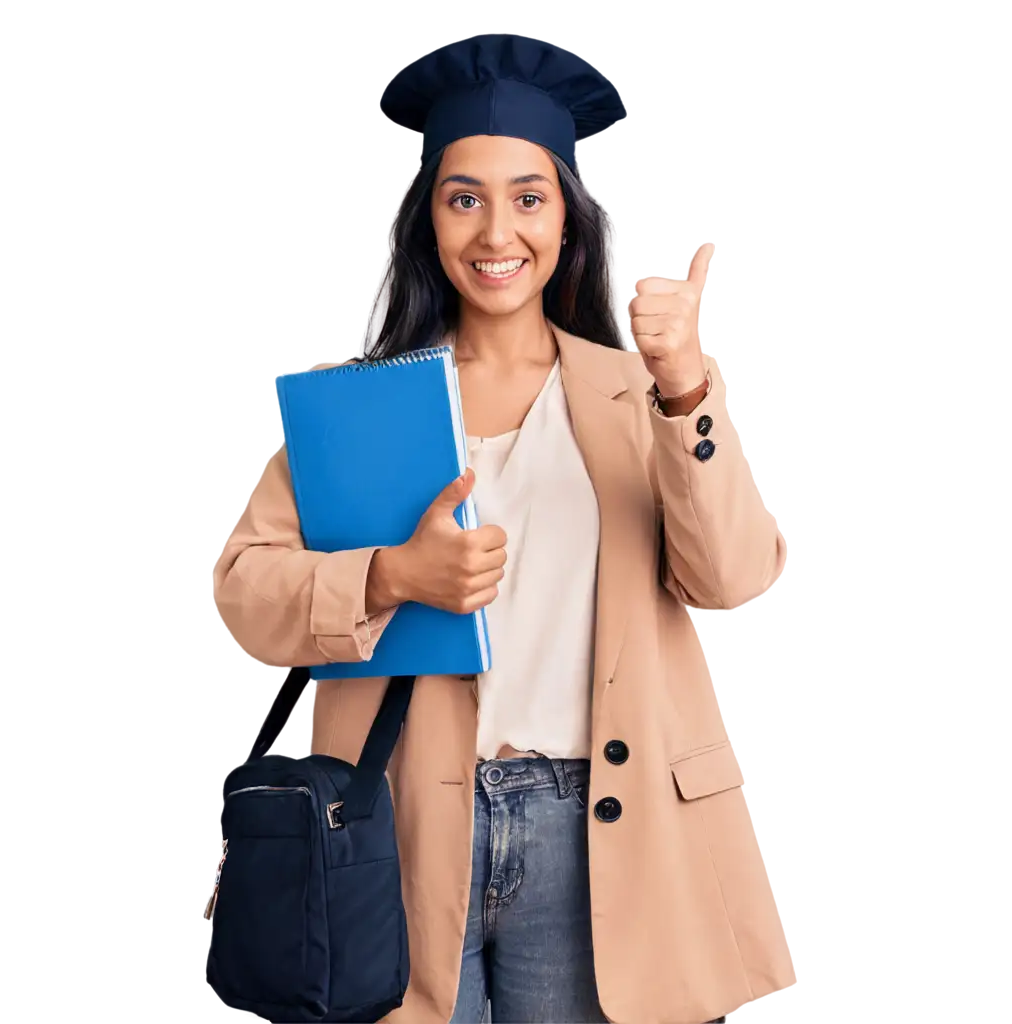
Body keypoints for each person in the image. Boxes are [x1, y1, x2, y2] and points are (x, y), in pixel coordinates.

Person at [212, 32, 793, 1024]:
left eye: (528, 197)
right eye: (463, 197)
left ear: (566, 218)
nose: (496, 232)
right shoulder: (361, 409)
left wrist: (685, 381)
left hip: (600, 837)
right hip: (400, 832)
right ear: (428, 221)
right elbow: (244, 598)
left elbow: (732, 574)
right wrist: (391, 576)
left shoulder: (639, 393)